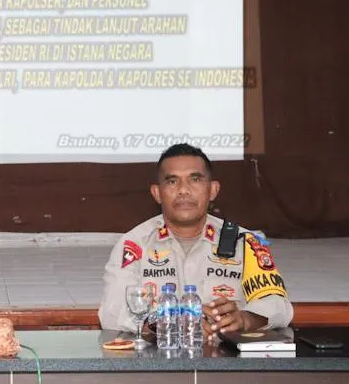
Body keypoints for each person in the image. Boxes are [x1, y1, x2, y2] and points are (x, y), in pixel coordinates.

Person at [98, 143, 293, 341]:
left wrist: (245, 319)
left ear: (213, 190)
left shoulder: (244, 243)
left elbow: (279, 305)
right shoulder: (135, 244)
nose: (183, 190)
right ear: (157, 193)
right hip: (160, 357)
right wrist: (165, 322)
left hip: (225, 358)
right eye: (172, 181)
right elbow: (111, 311)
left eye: (195, 179)